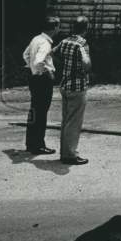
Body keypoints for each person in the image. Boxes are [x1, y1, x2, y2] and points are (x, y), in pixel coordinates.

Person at [22, 16, 60, 155]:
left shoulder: (36, 39)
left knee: (34, 110)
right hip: (42, 80)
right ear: (54, 28)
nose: (59, 29)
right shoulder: (45, 43)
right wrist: (48, 72)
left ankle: (30, 143)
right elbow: (39, 61)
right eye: (58, 26)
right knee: (42, 112)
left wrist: (31, 68)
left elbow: (25, 55)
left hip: (33, 78)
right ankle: (39, 145)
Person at [57, 16, 92, 165]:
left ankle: (64, 152)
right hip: (77, 87)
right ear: (86, 28)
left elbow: (52, 52)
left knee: (66, 120)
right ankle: (70, 155)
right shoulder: (82, 43)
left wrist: (65, 66)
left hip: (65, 85)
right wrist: (87, 67)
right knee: (74, 122)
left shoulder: (65, 41)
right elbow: (85, 63)